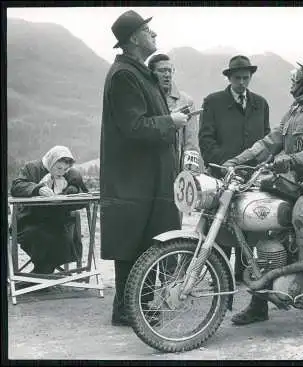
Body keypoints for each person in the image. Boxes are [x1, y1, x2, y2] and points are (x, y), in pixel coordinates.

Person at [223, 56, 303, 325]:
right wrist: (238, 160)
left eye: (299, 74)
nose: (294, 77)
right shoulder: (294, 111)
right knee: (265, 222)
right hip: (298, 183)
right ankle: (260, 305)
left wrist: (290, 160)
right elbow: (270, 141)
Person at [100, 10, 189, 327]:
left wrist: (170, 119)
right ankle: (127, 309)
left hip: (148, 178)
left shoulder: (137, 72)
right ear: (135, 38)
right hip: (135, 181)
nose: (155, 36)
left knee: (148, 241)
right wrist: (172, 121)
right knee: (133, 243)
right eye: (149, 32)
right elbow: (134, 127)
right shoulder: (125, 75)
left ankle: (136, 306)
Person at [198, 55, 271, 282]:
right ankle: (219, 275)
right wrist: (226, 165)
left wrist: (259, 167)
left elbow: (267, 138)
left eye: (246, 78)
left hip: (251, 178)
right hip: (222, 176)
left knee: (249, 222)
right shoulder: (213, 102)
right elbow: (206, 141)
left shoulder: (261, 103)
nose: (242, 82)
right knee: (220, 227)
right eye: (237, 78)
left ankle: (243, 273)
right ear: (229, 78)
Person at [10, 145, 87, 275]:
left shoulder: (70, 174)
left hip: (57, 222)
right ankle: (43, 273)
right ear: (51, 160)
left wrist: (70, 191)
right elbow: (16, 187)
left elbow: (83, 195)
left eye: (65, 169)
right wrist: (37, 189)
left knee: (64, 239)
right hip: (30, 220)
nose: (61, 172)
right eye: (58, 168)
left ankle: (42, 275)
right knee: (39, 237)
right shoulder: (32, 168)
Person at [148, 53, 202, 172]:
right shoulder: (146, 99)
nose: (167, 75)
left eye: (169, 70)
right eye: (162, 71)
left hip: (176, 167)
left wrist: (190, 171)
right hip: (151, 167)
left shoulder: (186, 101)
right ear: (151, 73)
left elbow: (191, 142)